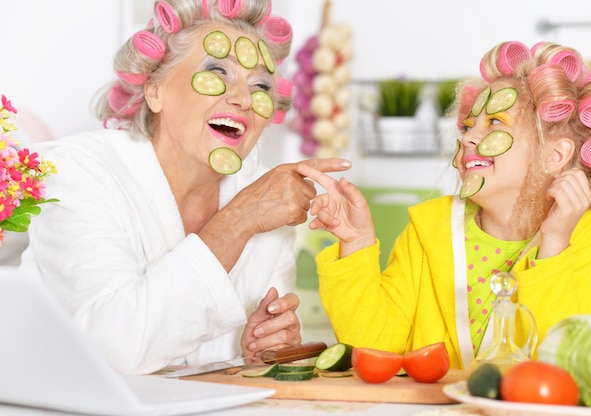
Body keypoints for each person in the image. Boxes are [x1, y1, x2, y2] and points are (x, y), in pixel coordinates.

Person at [18, 0, 351, 375]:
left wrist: (262, 348)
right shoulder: (77, 173)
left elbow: (250, 356)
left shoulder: (267, 198)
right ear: (155, 91)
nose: (242, 98)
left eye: (260, 85)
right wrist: (242, 218)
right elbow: (112, 350)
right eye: (217, 71)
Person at [297, 40, 591, 370]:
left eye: (495, 123)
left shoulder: (585, 235)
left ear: (554, 155)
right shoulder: (430, 226)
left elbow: (561, 363)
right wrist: (355, 244)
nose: (468, 138)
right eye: (468, 126)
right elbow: (374, 344)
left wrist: (554, 246)